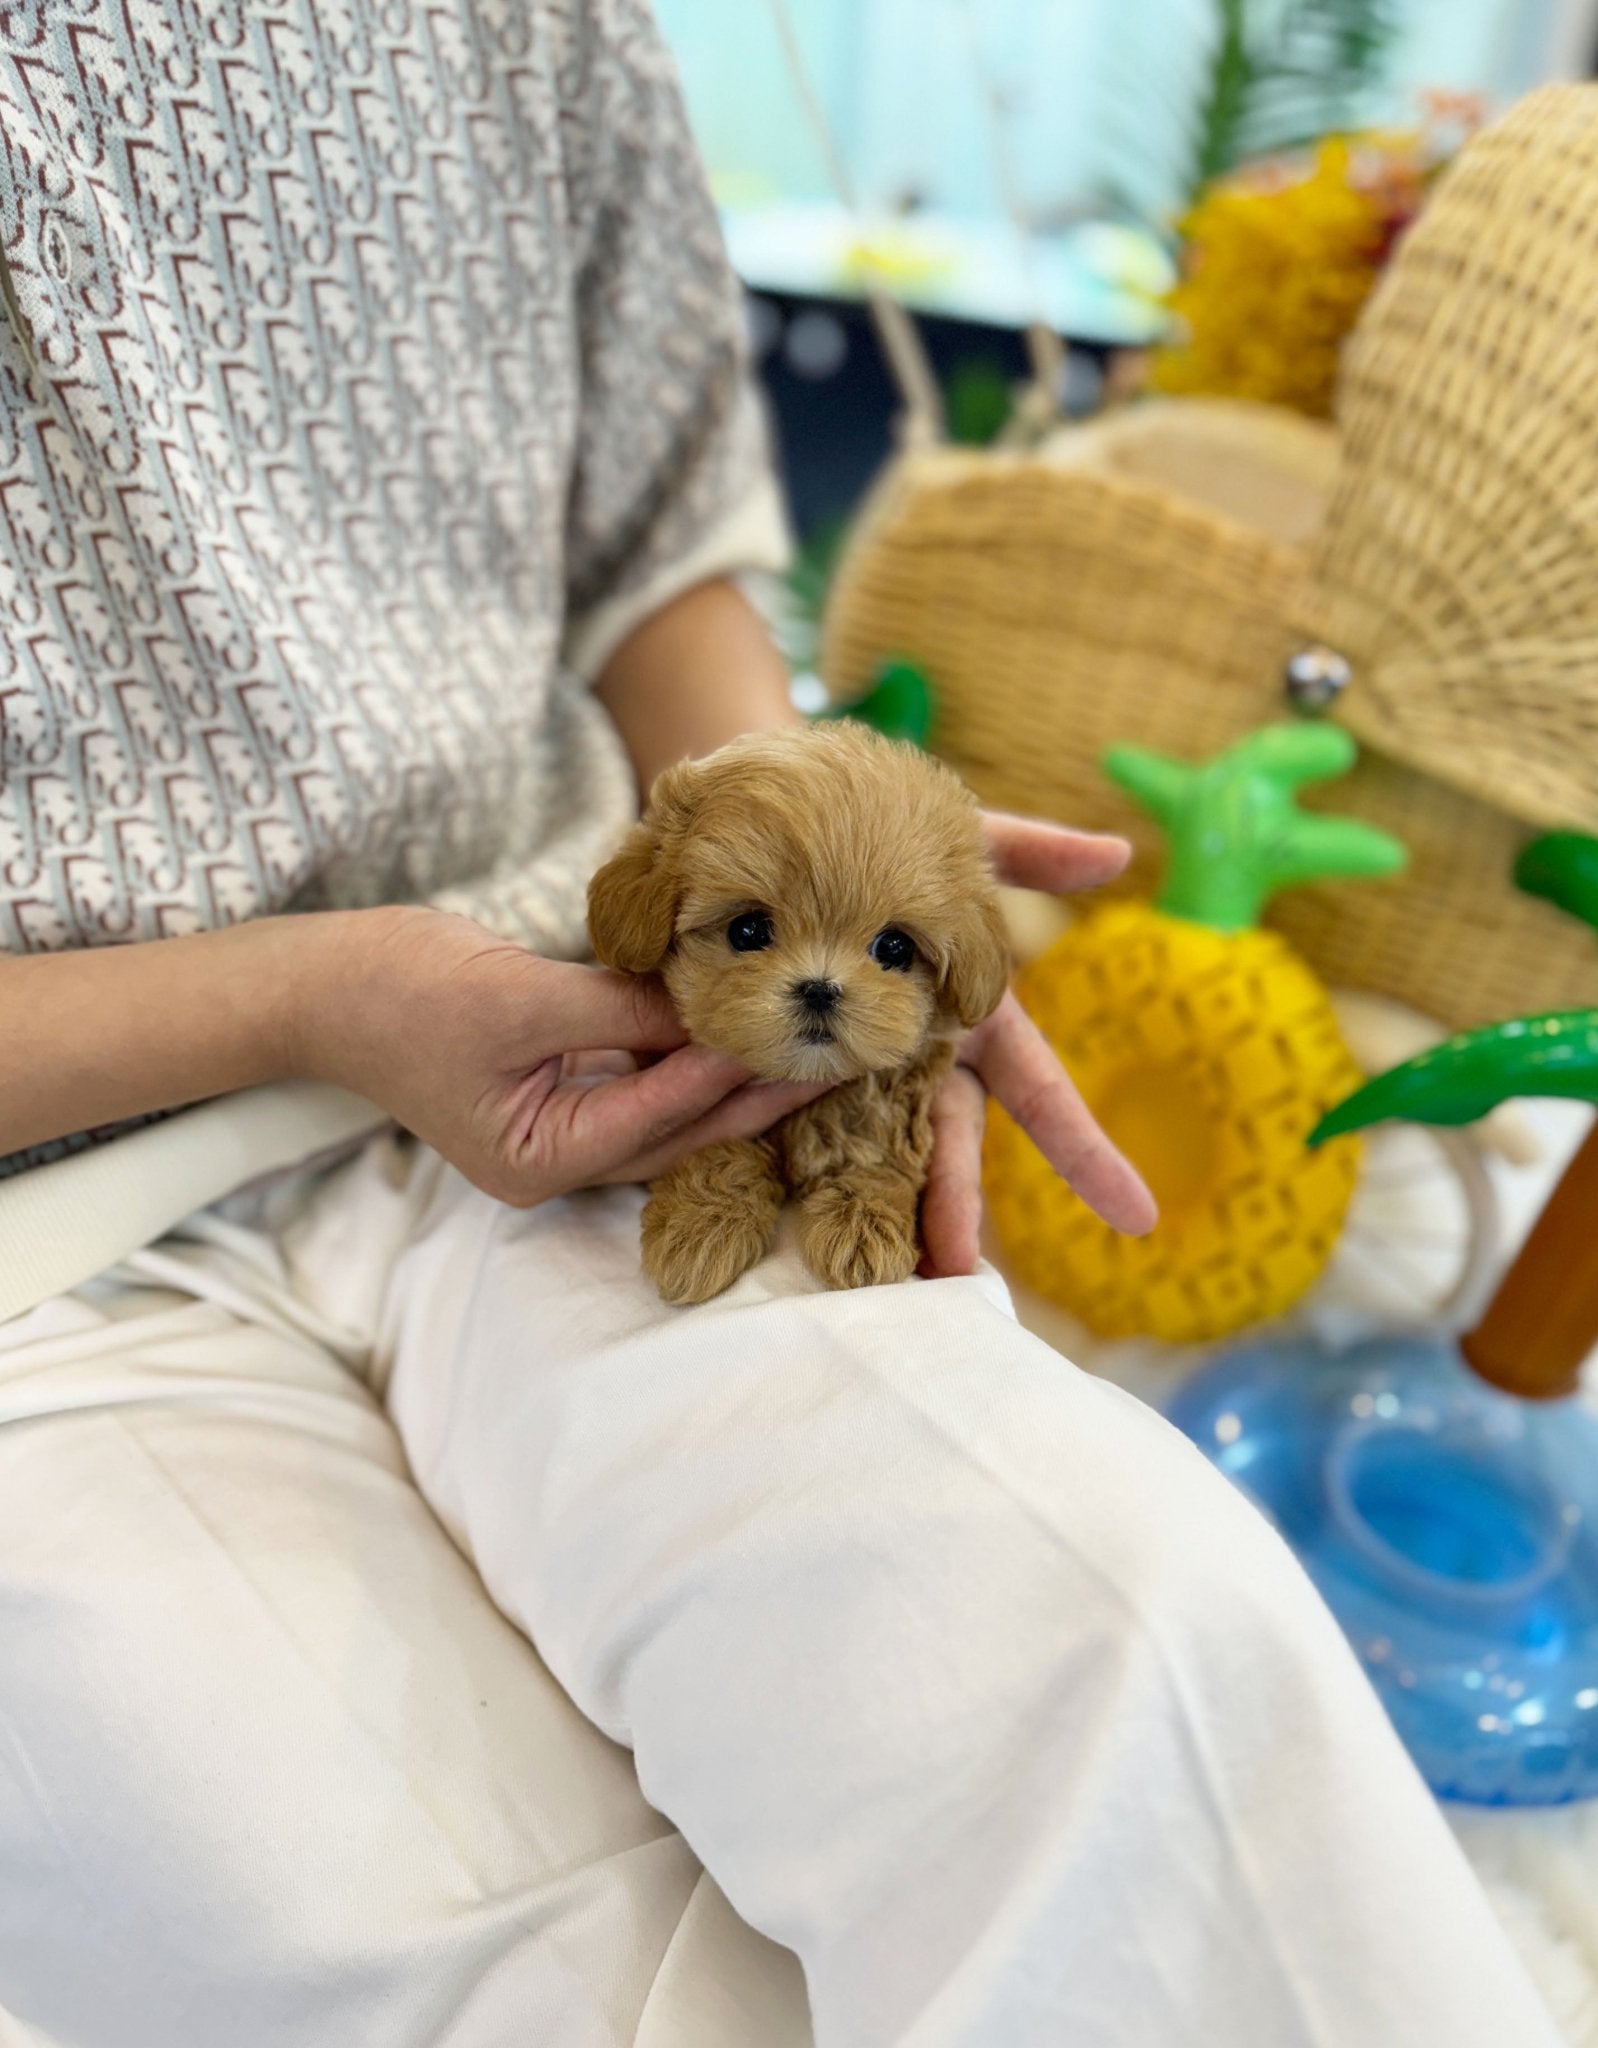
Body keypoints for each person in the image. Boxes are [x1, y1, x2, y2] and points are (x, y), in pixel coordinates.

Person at [0, 6, 1563, 2044]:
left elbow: (656, 556)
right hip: (53, 1223)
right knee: (472, 1950)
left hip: (605, 1045)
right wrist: (307, 991)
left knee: (1123, 1652)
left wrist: (814, 841)